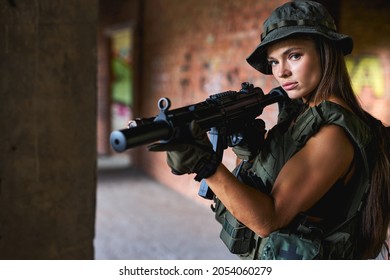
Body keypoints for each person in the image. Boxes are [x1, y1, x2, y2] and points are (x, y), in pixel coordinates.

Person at [150, 1, 390, 259]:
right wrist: (252, 151)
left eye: (294, 56)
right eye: (274, 62)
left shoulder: (334, 133)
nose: (282, 72)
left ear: (326, 52)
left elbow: (269, 219)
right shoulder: (304, 114)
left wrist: (207, 165)